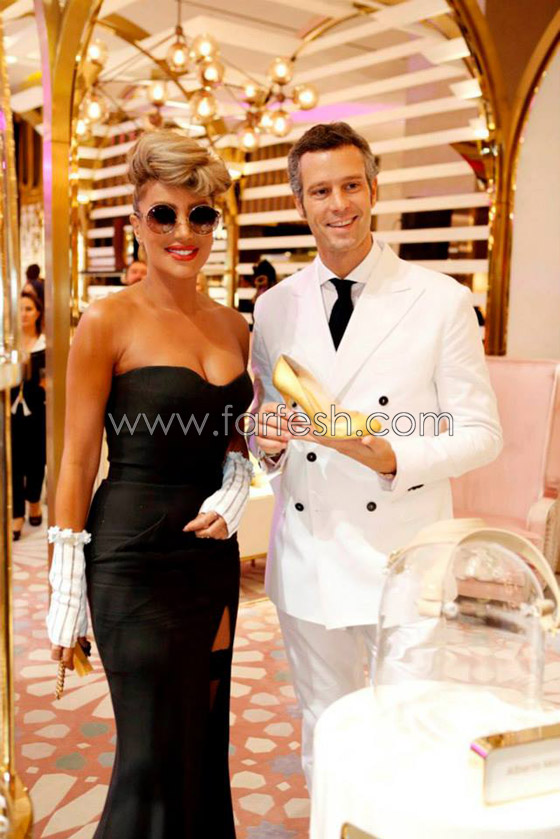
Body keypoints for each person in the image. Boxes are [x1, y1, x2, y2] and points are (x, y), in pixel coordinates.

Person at [251, 122, 503, 788]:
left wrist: (391, 457)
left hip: (406, 559)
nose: (339, 204)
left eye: (351, 186)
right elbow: (267, 420)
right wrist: (265, 443)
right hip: (308, 554)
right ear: (300, 202)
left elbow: (482, 432)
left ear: (373, 190)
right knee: (324, 729)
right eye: (321, 191)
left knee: (409, 733)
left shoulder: (441, 300)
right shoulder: (273, 308)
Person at [46, 130, 254, 838]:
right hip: (131, 559)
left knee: (201, 740)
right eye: (164, 214)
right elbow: (77, 459)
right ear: (136, 221)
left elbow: (234, 441)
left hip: (210, 561)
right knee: (149, 755)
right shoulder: (107, 319)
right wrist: (65, 586)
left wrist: (234, 492)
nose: (183, 232)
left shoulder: (235, 327)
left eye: (200, 216)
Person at [11, 291, 46, 539]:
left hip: (38, 411)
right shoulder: (8, 345)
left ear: (38, 313)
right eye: (20, 309)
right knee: (13, 462)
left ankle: (34, 501)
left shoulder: (46, 345)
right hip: (10, 412)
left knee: (36, 460)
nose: (24, 314)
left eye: (29, 309)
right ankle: (17, 513)